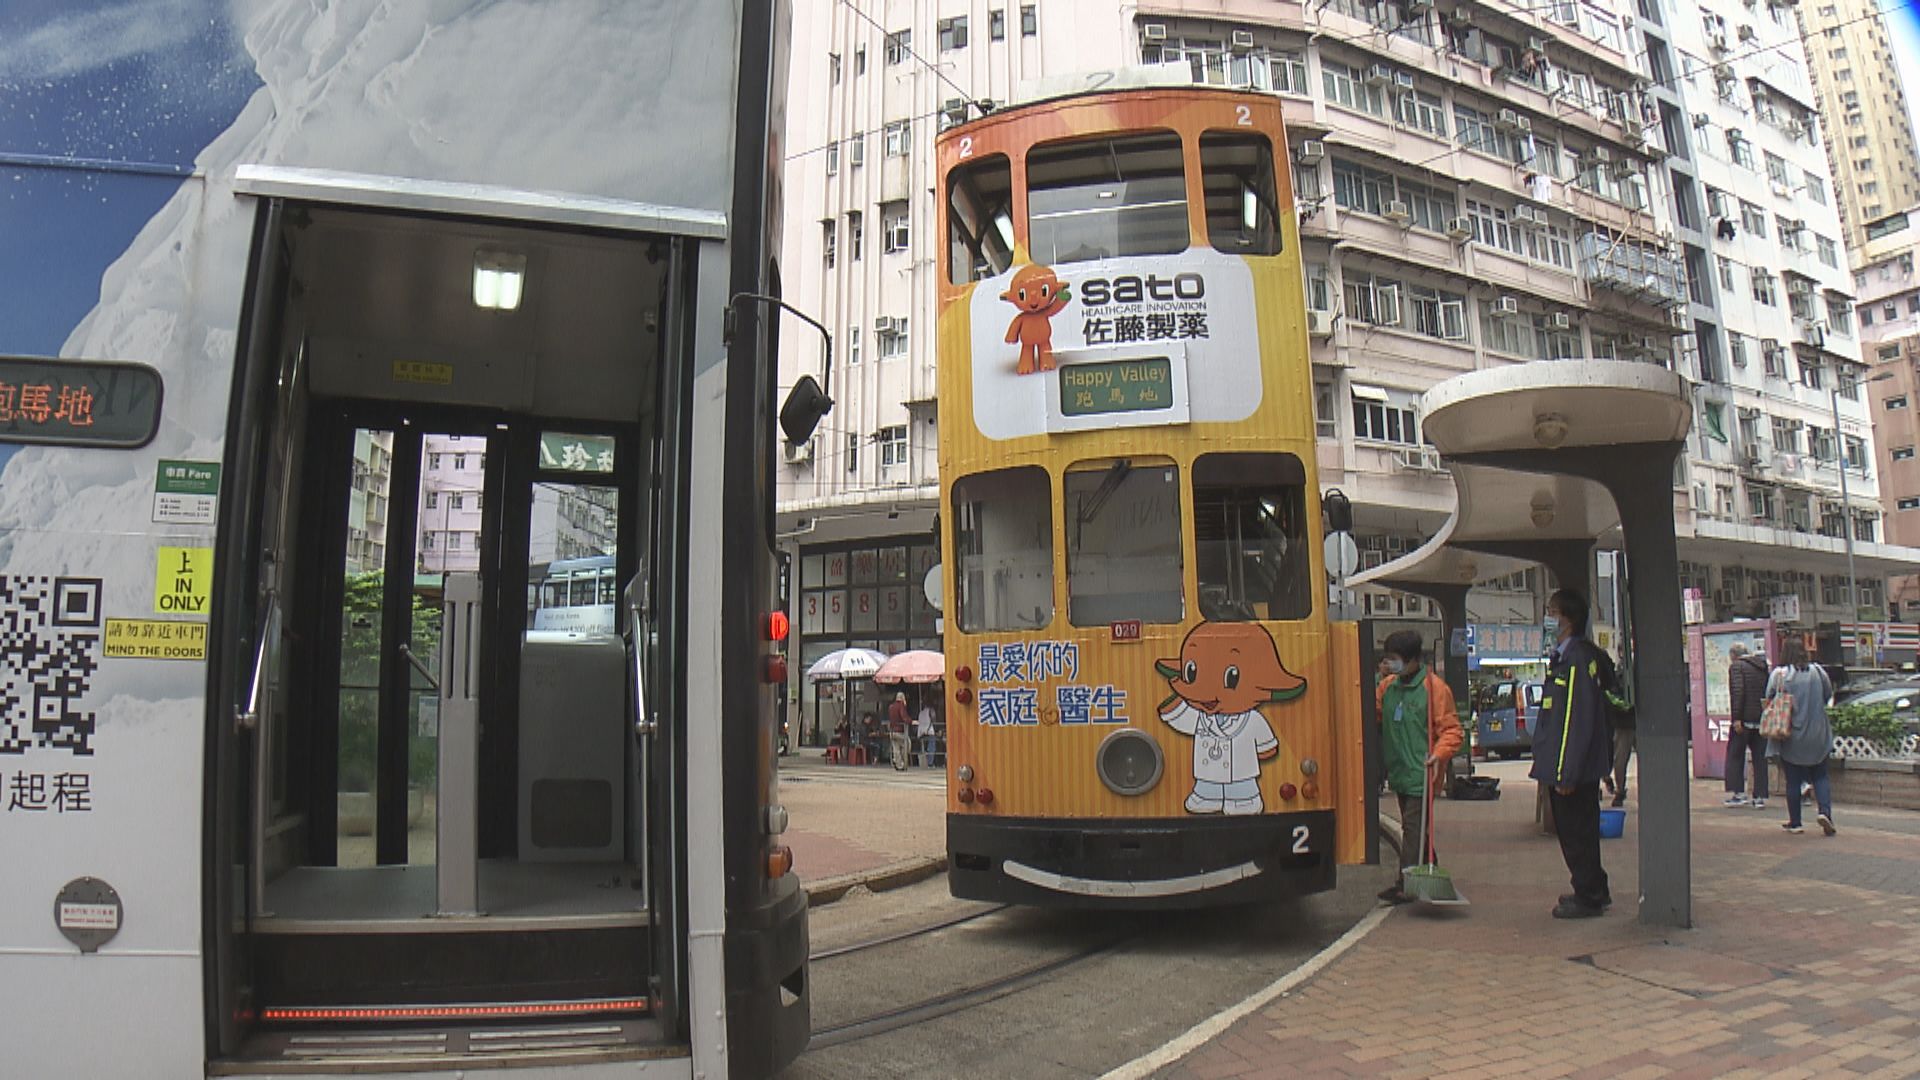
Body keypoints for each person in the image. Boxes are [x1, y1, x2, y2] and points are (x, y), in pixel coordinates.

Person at [1530, 588, 1616, 918]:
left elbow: (1575, 721)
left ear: (1568, 619)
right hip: (1567, 766)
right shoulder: (1564, 656)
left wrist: (1567, 772)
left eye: (1551, 611)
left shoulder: (1578, 659)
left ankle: (1589, 895)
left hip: (1573, 770)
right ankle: (1591, 887)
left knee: (1577, 832)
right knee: (1576, 832)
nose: (1547, 617)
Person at [1373, 630, 1463, 905]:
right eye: (1387, 658)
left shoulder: (1435, 690)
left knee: (1412, 829)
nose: (1391, 663)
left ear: (1413, 660)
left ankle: (1406, 883)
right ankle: (1430, 867)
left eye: (1395, 658)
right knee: (1417, 829)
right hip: (1399, 773)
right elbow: (1373, 712)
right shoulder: (1388, 687)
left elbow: (1452, 730)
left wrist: (1438, 755)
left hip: (1422, 773)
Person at [1765, 638, 1837, 836]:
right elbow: (1828, 694)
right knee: (1821, 775)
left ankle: (1795, 822)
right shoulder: (1818, 671)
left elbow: (1769, 698)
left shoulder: (1780, 675)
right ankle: (1825, 813)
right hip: (1818, 733)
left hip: (1791, 735)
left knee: (1793, 780)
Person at [1724, 642, 1771, 808]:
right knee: (1760, 758)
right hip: (1760, 719)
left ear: (1734, 655)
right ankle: (1759, 796)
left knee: (1735, 755)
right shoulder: (1761, 667)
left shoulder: (1737, 667)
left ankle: (1739, 793)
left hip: (1743, 720)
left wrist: (1736, 718)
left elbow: (1738, 692)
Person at [1602, 652, 1636, 809]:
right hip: (1624, 723)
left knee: (1619, 759)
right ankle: (1619, 790)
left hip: (1624, 723)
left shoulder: (1621, 673)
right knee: (1619, 760)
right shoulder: (1620, 674)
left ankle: (1619, 791)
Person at [887, 692, 913, 771]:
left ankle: (898, 763)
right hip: (899, 731)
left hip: (892, 731)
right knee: (907, 744)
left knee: (896, 748)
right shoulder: (901, 706)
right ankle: (902, 762)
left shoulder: (891, 706)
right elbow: (904, 717)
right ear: (902, 698)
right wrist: (910, 721)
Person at [916, 699, 939, 765]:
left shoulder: (921, 713)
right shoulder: (931, 711)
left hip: (921, 733)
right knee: (931, 748)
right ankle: (930, 763)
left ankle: (923, 762)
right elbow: (934, 720)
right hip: (929, 731)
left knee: (923, 748)